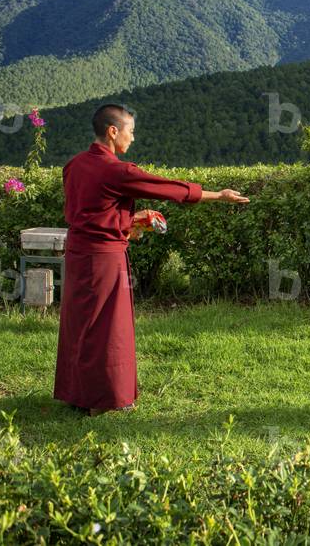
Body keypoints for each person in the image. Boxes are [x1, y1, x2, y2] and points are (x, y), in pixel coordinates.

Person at [54, 104, 249, 416]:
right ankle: (105, 400)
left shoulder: (74, 165)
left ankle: (77, 394)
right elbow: (169, 189)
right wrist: (219, 195)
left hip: (78, 253)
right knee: (108, 329)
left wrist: (129, 221)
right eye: (130, 131)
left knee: (80, 325)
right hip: (104, 259)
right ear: (112, 131)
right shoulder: (116, 170)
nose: (133, 138)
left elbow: (91, 212)